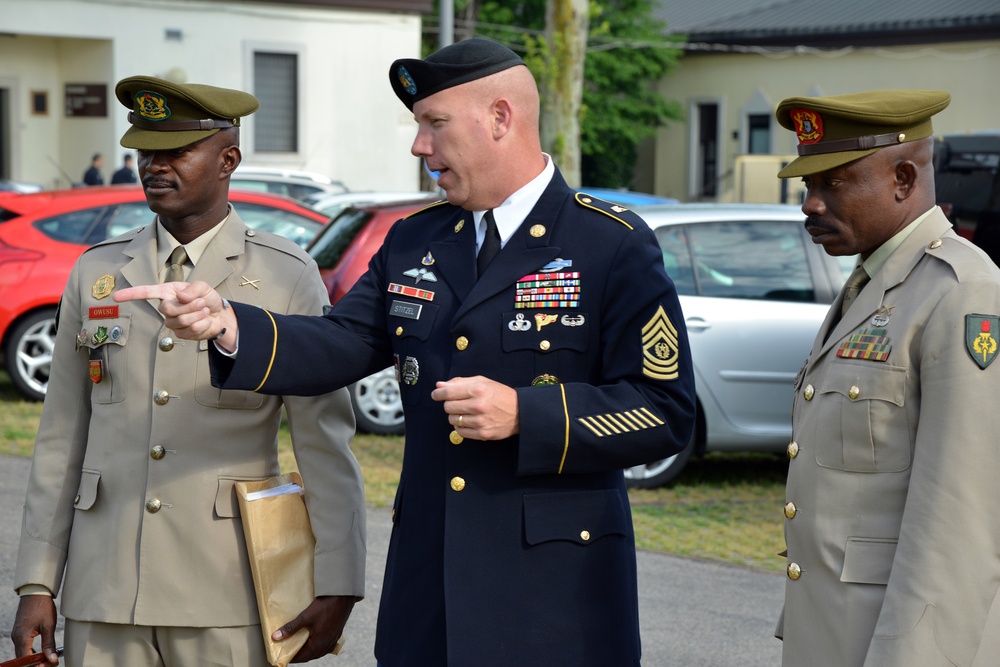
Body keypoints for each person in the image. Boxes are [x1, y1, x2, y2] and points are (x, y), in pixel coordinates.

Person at [114, 39, 696, 666]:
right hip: (432, 582)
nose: (419, 146)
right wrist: (230, 324)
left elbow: (663, 409)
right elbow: (342, 343)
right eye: (419, 126)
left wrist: (529, 414)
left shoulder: (608, 243)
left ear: (500, 118)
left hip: (553, 596)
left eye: (434, 124)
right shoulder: (417, 238)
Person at [10, 76, 366, 667]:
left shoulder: (285, 275)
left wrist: (339, 581)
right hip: (105, 594)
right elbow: (60, 440)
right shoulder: (97, 271)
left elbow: (324, 442)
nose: (153, 165)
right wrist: (37, 582)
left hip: (227, 589)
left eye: (175, 152)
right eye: (145, 152)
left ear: (228, 159)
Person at [773, 89, 1000, 666]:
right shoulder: (870, 285)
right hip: (833, 634)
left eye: (834, 183)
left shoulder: (961, 292)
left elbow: (958, 521)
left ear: (903, 178)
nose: (810, 204)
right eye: (807, 186)